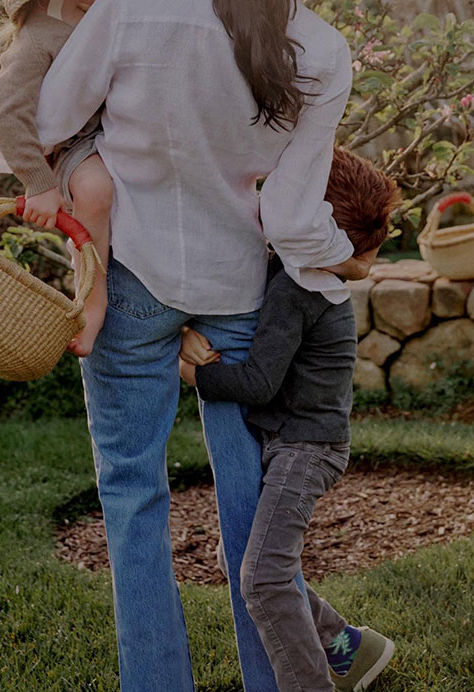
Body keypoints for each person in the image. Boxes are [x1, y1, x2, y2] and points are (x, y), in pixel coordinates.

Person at [31, 0, 400, 692]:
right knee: (249, 510)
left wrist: (86, 168)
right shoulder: (322, 51)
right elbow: (289, 217)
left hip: (131, 286)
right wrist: (347, 265)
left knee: (131, 496)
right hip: (241, 301)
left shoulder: (132, 3)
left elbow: (49, 120)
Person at [179, 147, 401, 692]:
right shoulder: (310, 275)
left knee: (261, 577)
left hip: (305, 450)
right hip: (304, 442)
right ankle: (352, 648)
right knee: (244, 563)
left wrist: (195, 377)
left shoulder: (296, 290)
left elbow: (258, 383)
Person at [0, 0, 146, 356]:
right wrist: (38, 182)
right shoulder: (38, 39)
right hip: (76, 146)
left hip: (117, 133)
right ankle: (90, 301)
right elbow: (7, 109)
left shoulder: (98, 17)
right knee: (94, 191)